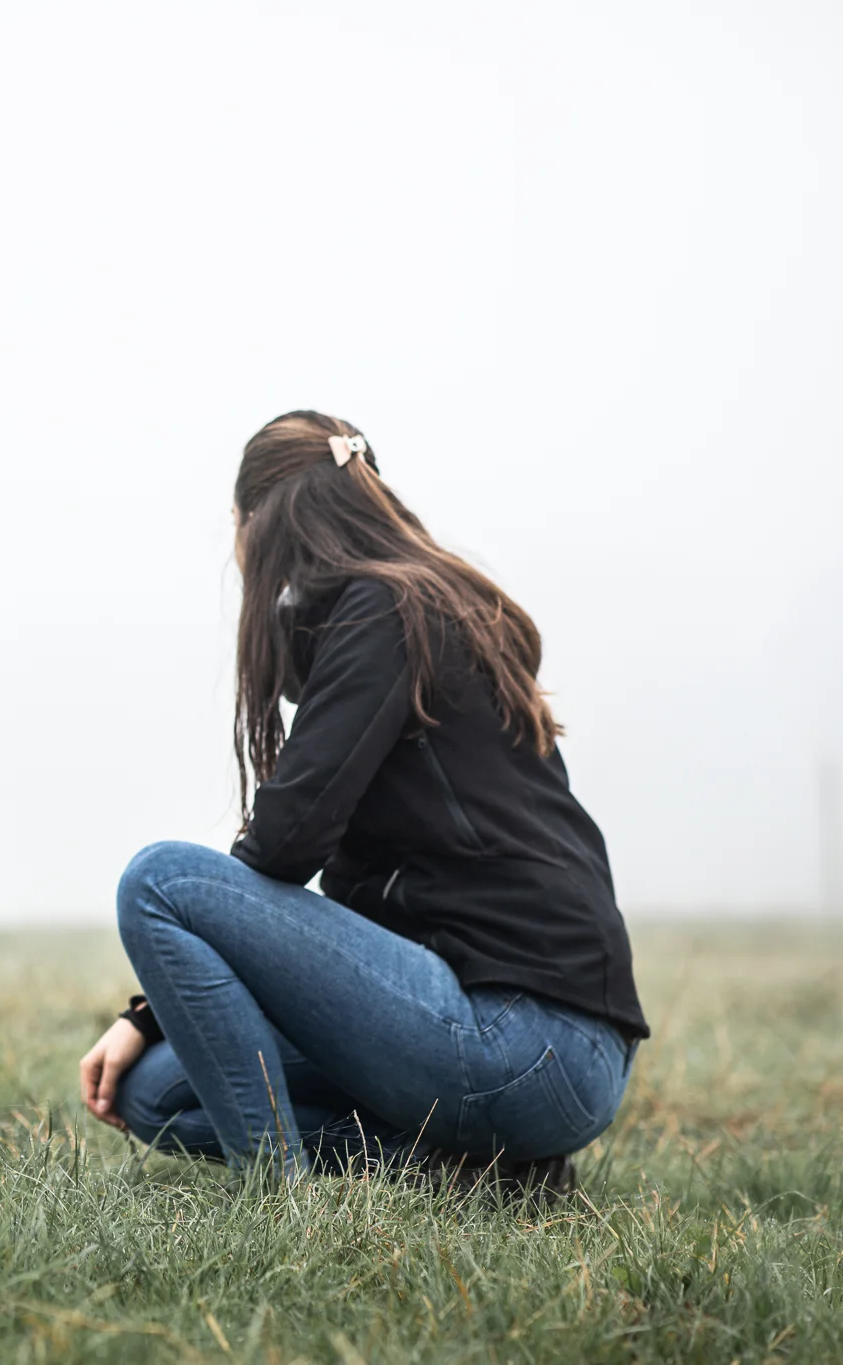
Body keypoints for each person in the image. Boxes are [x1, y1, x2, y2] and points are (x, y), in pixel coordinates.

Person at [79, 411, 647, 1194]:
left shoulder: (386, 612)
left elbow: (285, 844)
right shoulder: (409, 612)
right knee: (158, 1092)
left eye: (236, 525)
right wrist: (149, 1017)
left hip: (525, 1039)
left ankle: (276, 1200)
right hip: (533, 1047)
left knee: (159, 881)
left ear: (259, 523)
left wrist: (158, 989)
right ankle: (479, 1173)